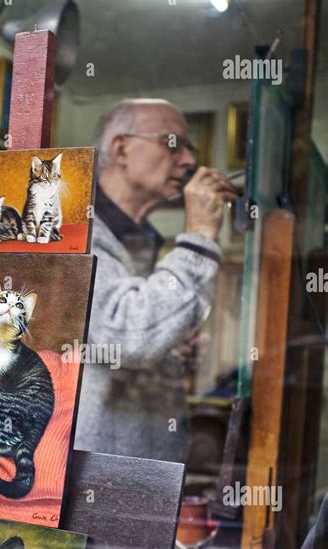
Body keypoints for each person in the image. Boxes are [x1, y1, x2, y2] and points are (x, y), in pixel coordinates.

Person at [74, 98, 238, 462]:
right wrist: (198, 236)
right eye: (174, 144)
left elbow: (138, 337)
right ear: (121, 149)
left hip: (141, 469)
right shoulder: (72, 230)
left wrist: (171, 349)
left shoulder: (141, 239)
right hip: (91, 480)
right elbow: (129, 338)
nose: (189, 161)